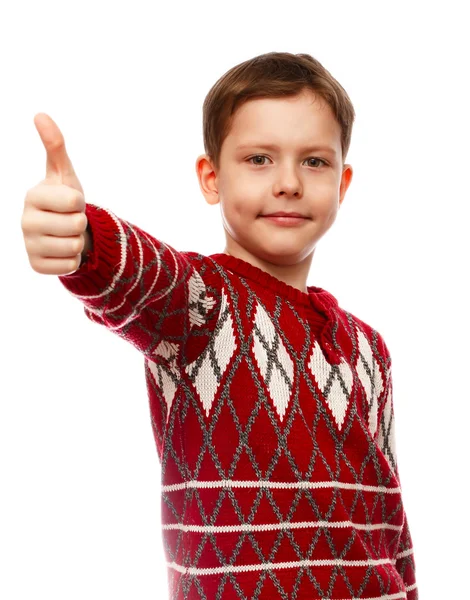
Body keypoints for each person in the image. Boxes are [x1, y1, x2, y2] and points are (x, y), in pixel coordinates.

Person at [20, 51, 418, 599]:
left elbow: (391, 520)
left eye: (315, 162)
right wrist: (82, 239)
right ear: (212, 177)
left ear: (343, 183)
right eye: (259, 159)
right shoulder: (202, 305)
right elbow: (140, 275)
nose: (288, 183)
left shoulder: (369, 349)